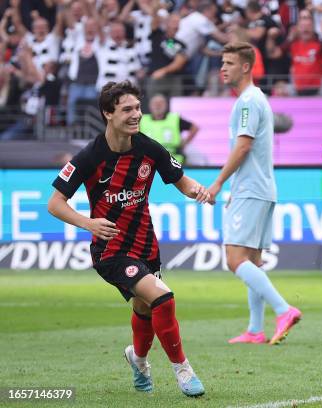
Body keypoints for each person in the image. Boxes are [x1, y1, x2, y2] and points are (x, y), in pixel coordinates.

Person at [47, 81, 207, 397]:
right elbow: (55, 203)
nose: (136, 115)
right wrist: (88, 223)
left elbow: (181, 181)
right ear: (108, 113)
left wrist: (198, 191)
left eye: (137, 108)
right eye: (127, 110)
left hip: (146, 244)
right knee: (163, 296)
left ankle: (138, 360)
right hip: (111, 249)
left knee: (146, 309)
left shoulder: (149, 148)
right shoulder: (89, 156)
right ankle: (183, 370)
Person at [204, 42, 302, 345]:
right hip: (260, 188)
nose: (223, 68)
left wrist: (219, 183)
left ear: (246, 67)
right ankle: (256, 329)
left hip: (251, 189)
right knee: (252, 260)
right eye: (222, 62)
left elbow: (243, 146)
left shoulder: (247, 101)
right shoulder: (255, 99)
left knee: (235, 260)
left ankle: (284, 310)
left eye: (229, 63)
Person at [140, 94, 199, 165]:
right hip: (148, 160)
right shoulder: (142, 120)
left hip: (173, 160)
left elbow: (194, 127)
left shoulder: (174, 119)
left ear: (166, 105)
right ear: (150, 105)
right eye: (155, 103)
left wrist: (185, 142)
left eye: (161, 103)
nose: (158, 106)